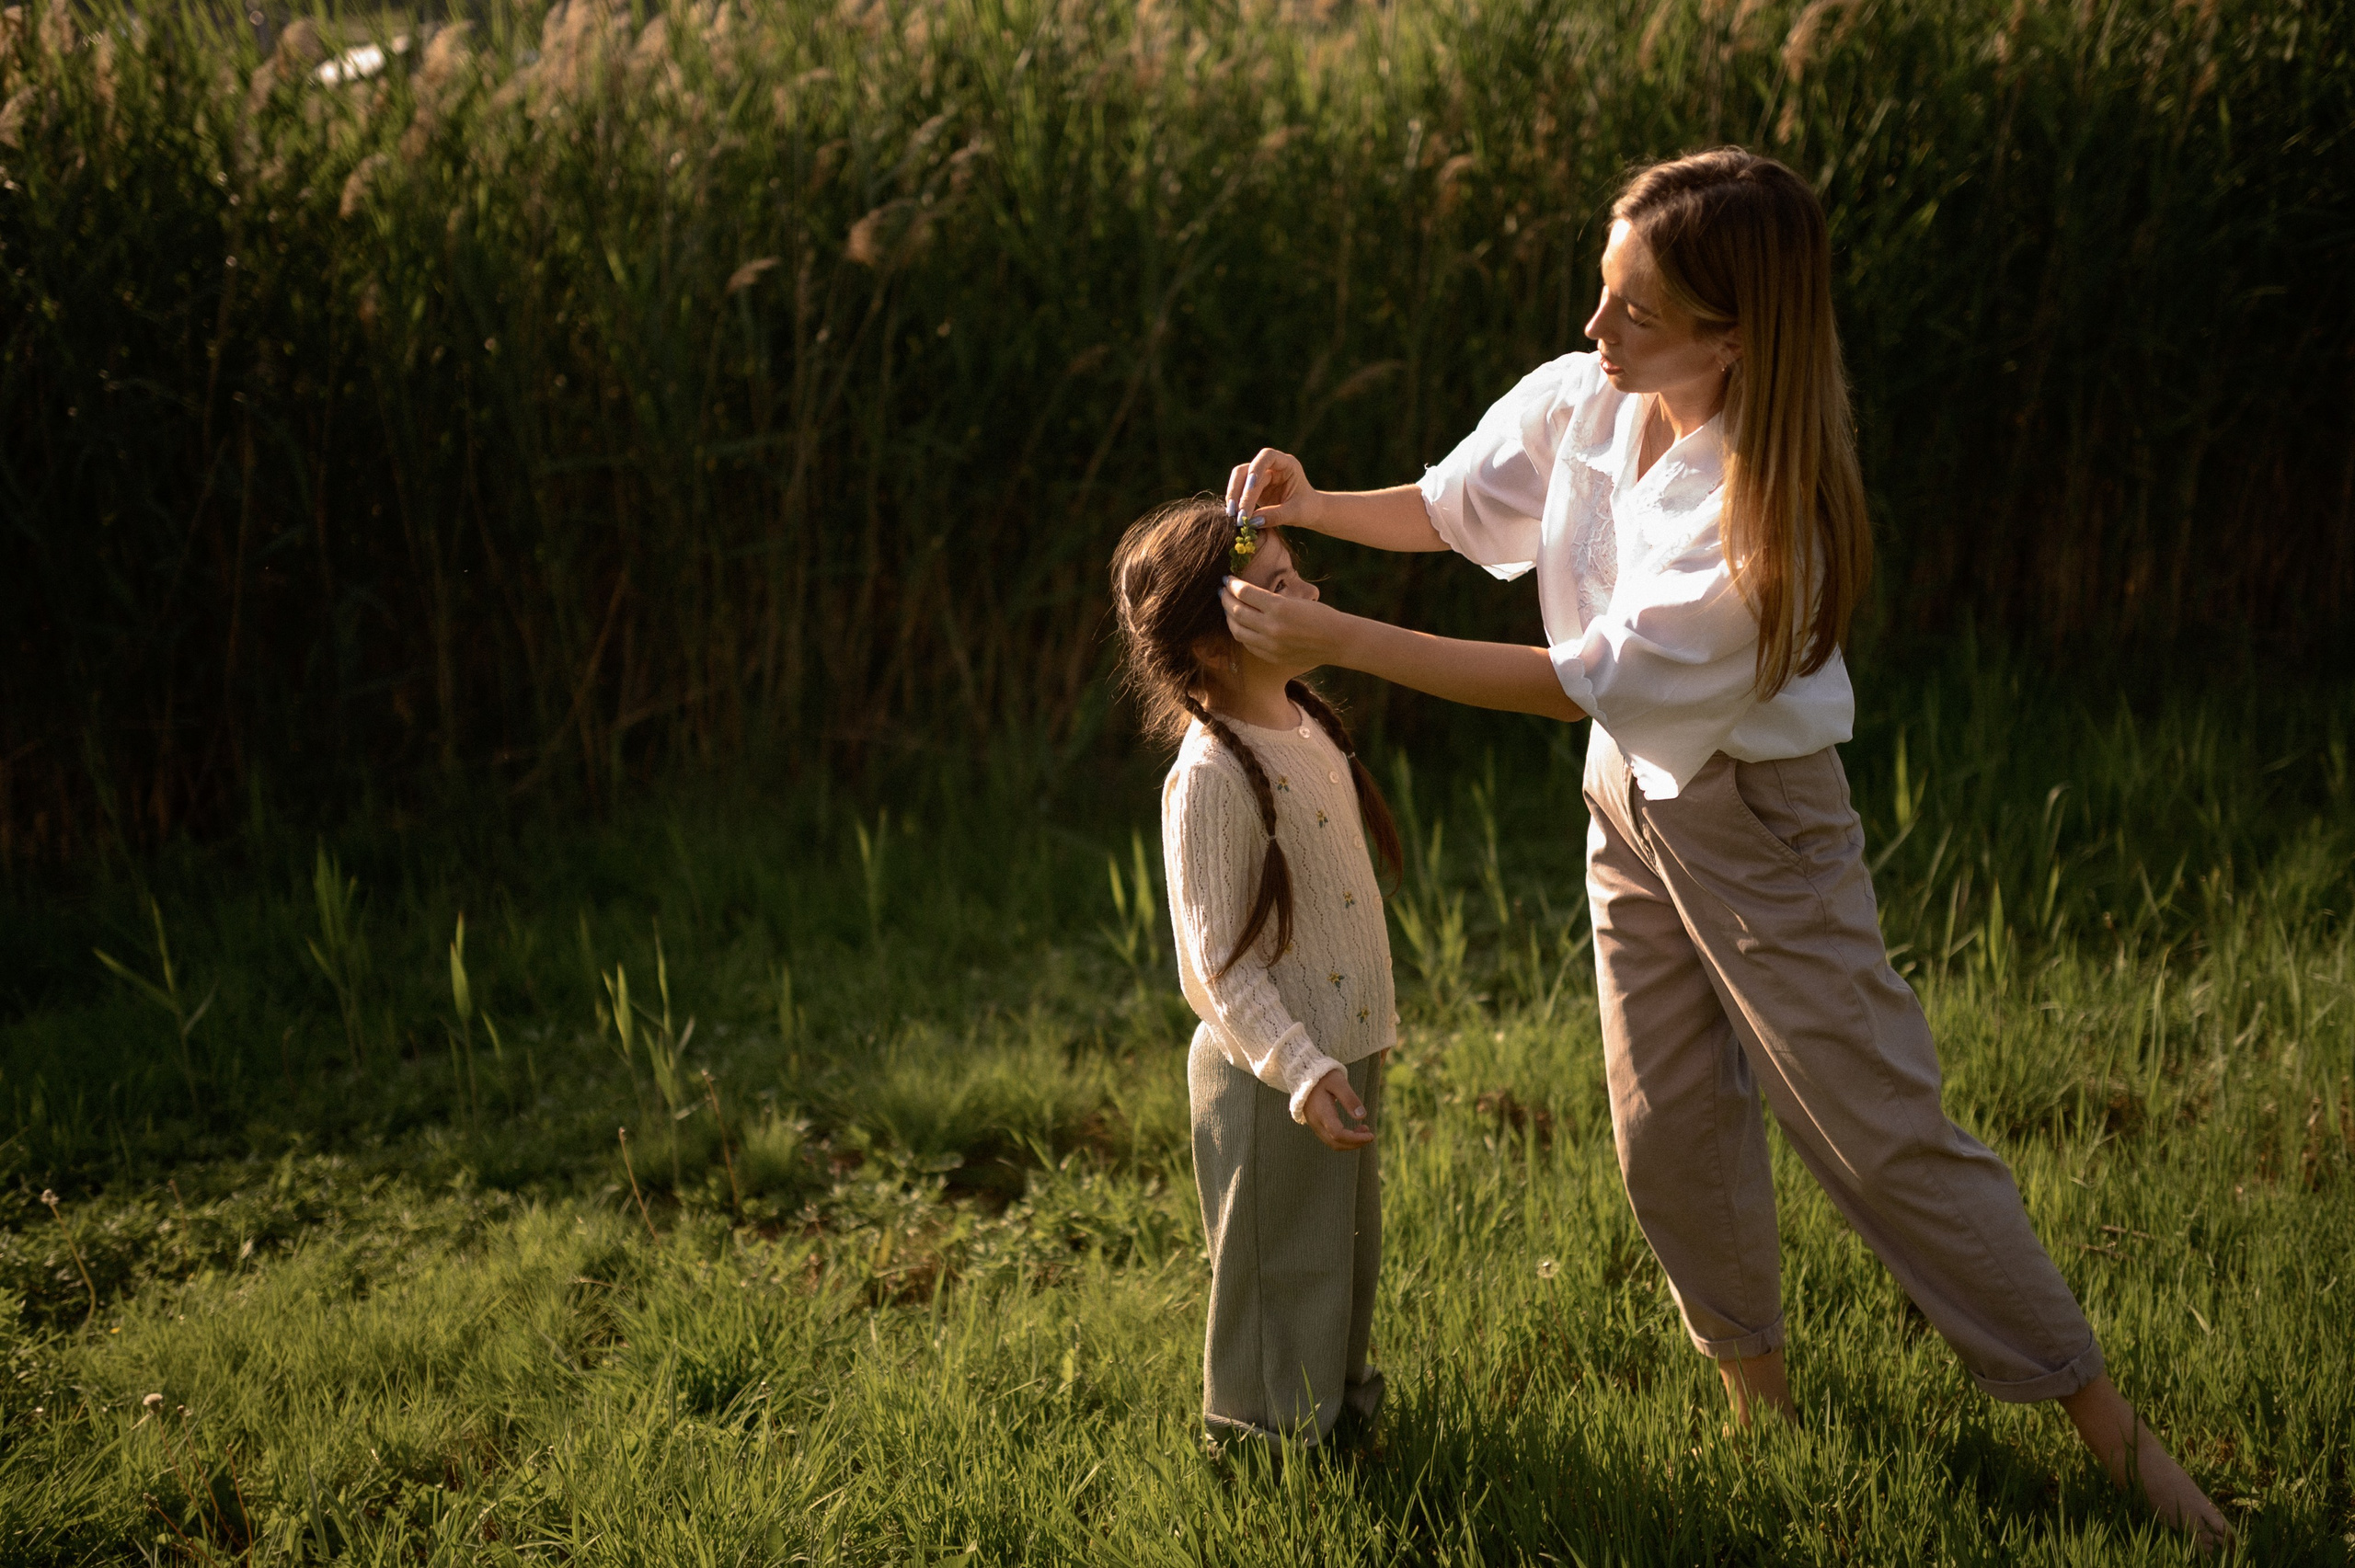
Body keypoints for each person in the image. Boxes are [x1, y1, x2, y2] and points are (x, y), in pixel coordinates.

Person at [1214, 146, 2230, 1541]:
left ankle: (2111, 1436)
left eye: (1634, 309)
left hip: (1763, 830)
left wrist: (1342, 643)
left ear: (1735, 334)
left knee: (1880, 1139)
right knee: (1663, 1128)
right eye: (1603, 287)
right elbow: (1455, 509)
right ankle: (1765, 1411)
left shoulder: (1770, 521)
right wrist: (1314, 506)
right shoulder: (1590, 399)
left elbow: (1573, 674)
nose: (1595, 328)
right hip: (1626, 805)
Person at [1111, 498, 1404, 1447]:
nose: (1310, 597)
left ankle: (1339, 1416)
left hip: (1342, 1048)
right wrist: (1299, 1064)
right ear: (1209, 644)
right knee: (1280, 1260)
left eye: (1298, 576)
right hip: (1270, 1073)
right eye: (1277, 588)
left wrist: (1348, 1047)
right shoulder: (1208, 776)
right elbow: (1214, 966)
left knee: (1342, 1250)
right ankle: (1264, 1443)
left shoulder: (1306, 723)